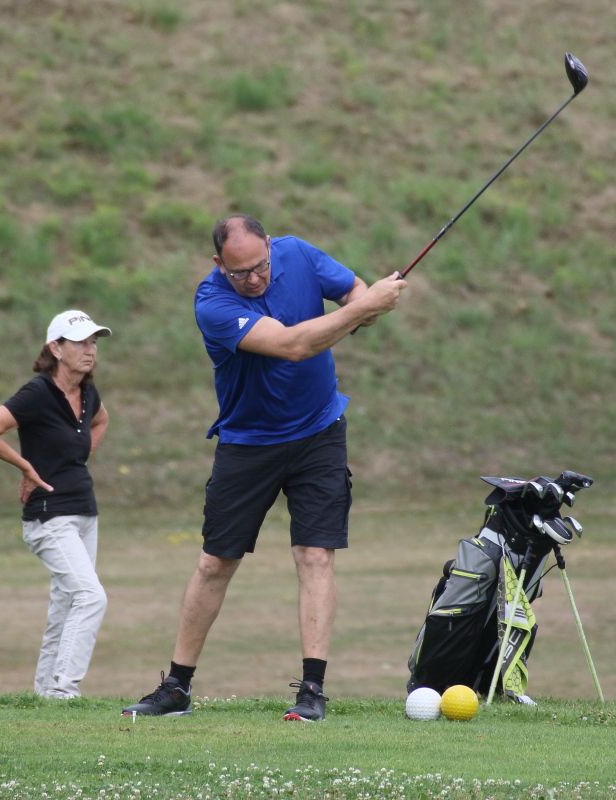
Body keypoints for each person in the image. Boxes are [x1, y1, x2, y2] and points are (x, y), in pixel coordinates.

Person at [123, 214, 408, 721]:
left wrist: (365, 305)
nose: (253, 279)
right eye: (240, 272)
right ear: (219, 264)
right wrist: (364, 309)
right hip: (248, 444)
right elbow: (293, 345)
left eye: (260, 267)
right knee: (216, 562)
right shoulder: (212, 303)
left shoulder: (298, 252)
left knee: (315, 555)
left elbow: (353, 290)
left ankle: (312, 691)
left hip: (320, 432)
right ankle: (176, 687)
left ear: (271, 247)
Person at [0, 309, 112, 699]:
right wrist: (25, 467)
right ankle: (65, 691)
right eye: (80, 342)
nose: (90, 349)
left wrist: (75, 459)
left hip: (84, 512)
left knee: (65, 605)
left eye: (94, 342)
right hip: (49, 518)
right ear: (56, 349)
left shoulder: (89, 394)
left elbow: (101, 421)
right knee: (90, 597)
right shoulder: (37, 393)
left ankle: (46, 695)